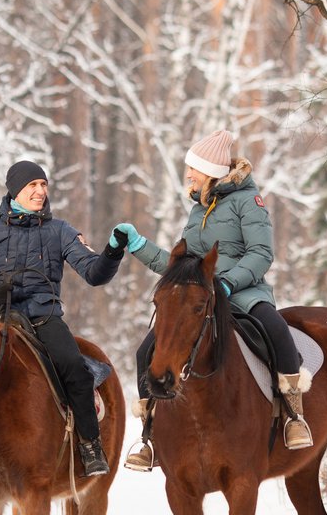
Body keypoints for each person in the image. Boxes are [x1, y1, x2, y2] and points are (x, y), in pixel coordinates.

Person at [110, 130, 312, 472]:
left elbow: (261, 253)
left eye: (194, 169)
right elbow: (180, 266)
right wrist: (138, 245)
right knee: (147, 350)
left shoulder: (249, 202)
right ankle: (149, 434)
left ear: (212, 171)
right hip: (201, 297)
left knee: (277, 331)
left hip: (243, 293)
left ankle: (294, 415)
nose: (189, 175)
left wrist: (229, 283)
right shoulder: (198, 208)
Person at [0, 160, 124, 495]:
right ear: (15, 190)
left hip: (42, 315)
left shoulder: (60, 231)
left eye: (43, 185)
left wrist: (113, 252)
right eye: (33, 186)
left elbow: (94, 274)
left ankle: (89, 445)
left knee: (74, 366)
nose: (40, 192)